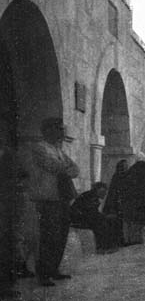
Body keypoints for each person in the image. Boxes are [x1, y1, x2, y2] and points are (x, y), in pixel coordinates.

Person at [26, 118, 79, 287]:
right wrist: (66, 169)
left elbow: (75, 169)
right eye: (59, 129)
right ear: (48, 130)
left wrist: (67, 169)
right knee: (49, 236)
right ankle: (44, 273)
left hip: (61, 197)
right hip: (48, 198)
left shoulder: (57, 149)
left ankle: (53, 269)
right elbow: (56, 167)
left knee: (61, 235)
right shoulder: (40, 148)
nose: (62, 132)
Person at [0, 144, 26, 298]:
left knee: (7, 246)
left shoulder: (8, 155)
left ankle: (5, 286)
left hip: (7, 208)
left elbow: (22, 176)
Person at [70, 182, 119, 254]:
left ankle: (105, 247)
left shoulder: (90, 195)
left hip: (80, 218)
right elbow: (91, 213)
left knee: (103, 222)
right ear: (98, 190)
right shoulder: (90, 197)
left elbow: (92, 213)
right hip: (79, 219)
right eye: (103, 192)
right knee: (102, 224)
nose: (105, 194)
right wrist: (105, 216)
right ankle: (104, 247)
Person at [122, 152, 145, 245]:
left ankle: (137, 238)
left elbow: (128, 183)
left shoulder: (132, 169)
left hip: (136, 197)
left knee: (137, 219)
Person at [103, 159, 129, 247]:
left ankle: (123, 240)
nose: (125, 168)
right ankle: (117, 241)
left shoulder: (126, 176)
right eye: (123, 167)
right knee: (117, 222)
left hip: (123, 203)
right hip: (116, 203)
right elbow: (112, 192)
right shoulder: (117, 177)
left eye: (126, 167)